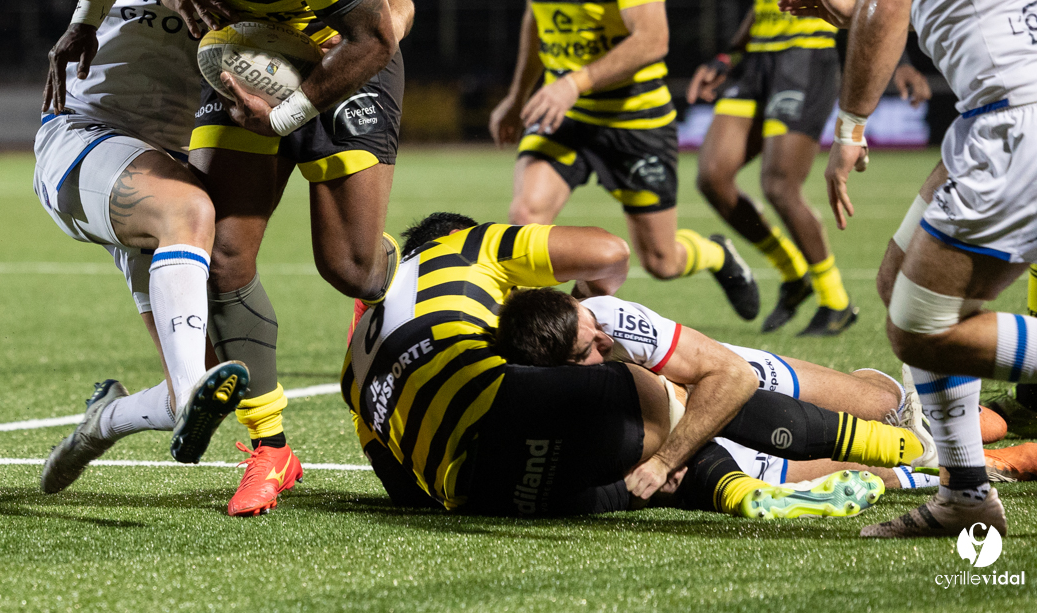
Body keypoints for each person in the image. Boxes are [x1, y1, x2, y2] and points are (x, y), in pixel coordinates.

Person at [88, 0, 415, 515]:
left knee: (352, 267)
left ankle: (449, 263)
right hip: (247, 62)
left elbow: (376, 36)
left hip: (337, 55)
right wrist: (82, 24)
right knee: (224, 257)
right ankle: (272, 450)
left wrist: (293, 111)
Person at [778, 0, 1037, 537]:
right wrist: (846, 6)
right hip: (1002, 111)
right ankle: (964, 489)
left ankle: (964, 483)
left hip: (1013, 116)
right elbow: (927, 5)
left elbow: (892, 2)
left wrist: (850, 124)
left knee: (919, 325)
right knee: (901, 281)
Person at [343, 212, 927, 520]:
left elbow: (404, 491)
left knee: (669, 461)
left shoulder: (355, 365)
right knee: (867, 402)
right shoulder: (476, 263)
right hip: (649, 400)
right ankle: (913, 457)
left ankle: (739, 483)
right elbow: (608, 254)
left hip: (484, 490)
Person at [28, 0, 251, 500]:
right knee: (187, 208)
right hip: (83, 137)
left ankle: (102, 422)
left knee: (193, 391)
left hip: (170, 158)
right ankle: (189, 391)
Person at [490, 0, 759, 321]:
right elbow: (536, 15)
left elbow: (654, 38)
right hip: (564, 117)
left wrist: (573, 81)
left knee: (662, 260)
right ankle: (536, 338)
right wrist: (516, 96)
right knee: (525, 217)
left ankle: (717, 252)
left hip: (634, 119)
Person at [688, 0, 931, 336]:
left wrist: (901, 59)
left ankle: (836, 301)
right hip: (757, 64)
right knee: (712, 177)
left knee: (778, 184)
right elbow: (763, 3)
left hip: (806, 60)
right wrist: (727, 56)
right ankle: (791, 273)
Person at [494, 286, 954, 493]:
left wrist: (666, 460)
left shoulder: (611, 320)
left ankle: (913, 399)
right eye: (587, 351)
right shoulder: (552, 394)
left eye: (590, 325)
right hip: (695, 433)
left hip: (724, 375)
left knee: (885, 407)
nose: (605, 341)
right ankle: (964, 460)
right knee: (879, 465)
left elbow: (733, 377)